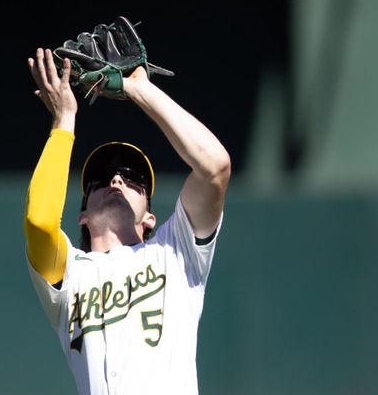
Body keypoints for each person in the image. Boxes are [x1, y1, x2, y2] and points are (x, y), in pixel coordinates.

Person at [24, 47, 231, 395]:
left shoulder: (175, 251)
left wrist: (139, 88)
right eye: (102, 178)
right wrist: (64, 122)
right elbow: (40, 222)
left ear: (150, 216)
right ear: (83, 216)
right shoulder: (68, 276)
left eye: (133, 178)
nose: (116, 181)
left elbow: (215, 168)